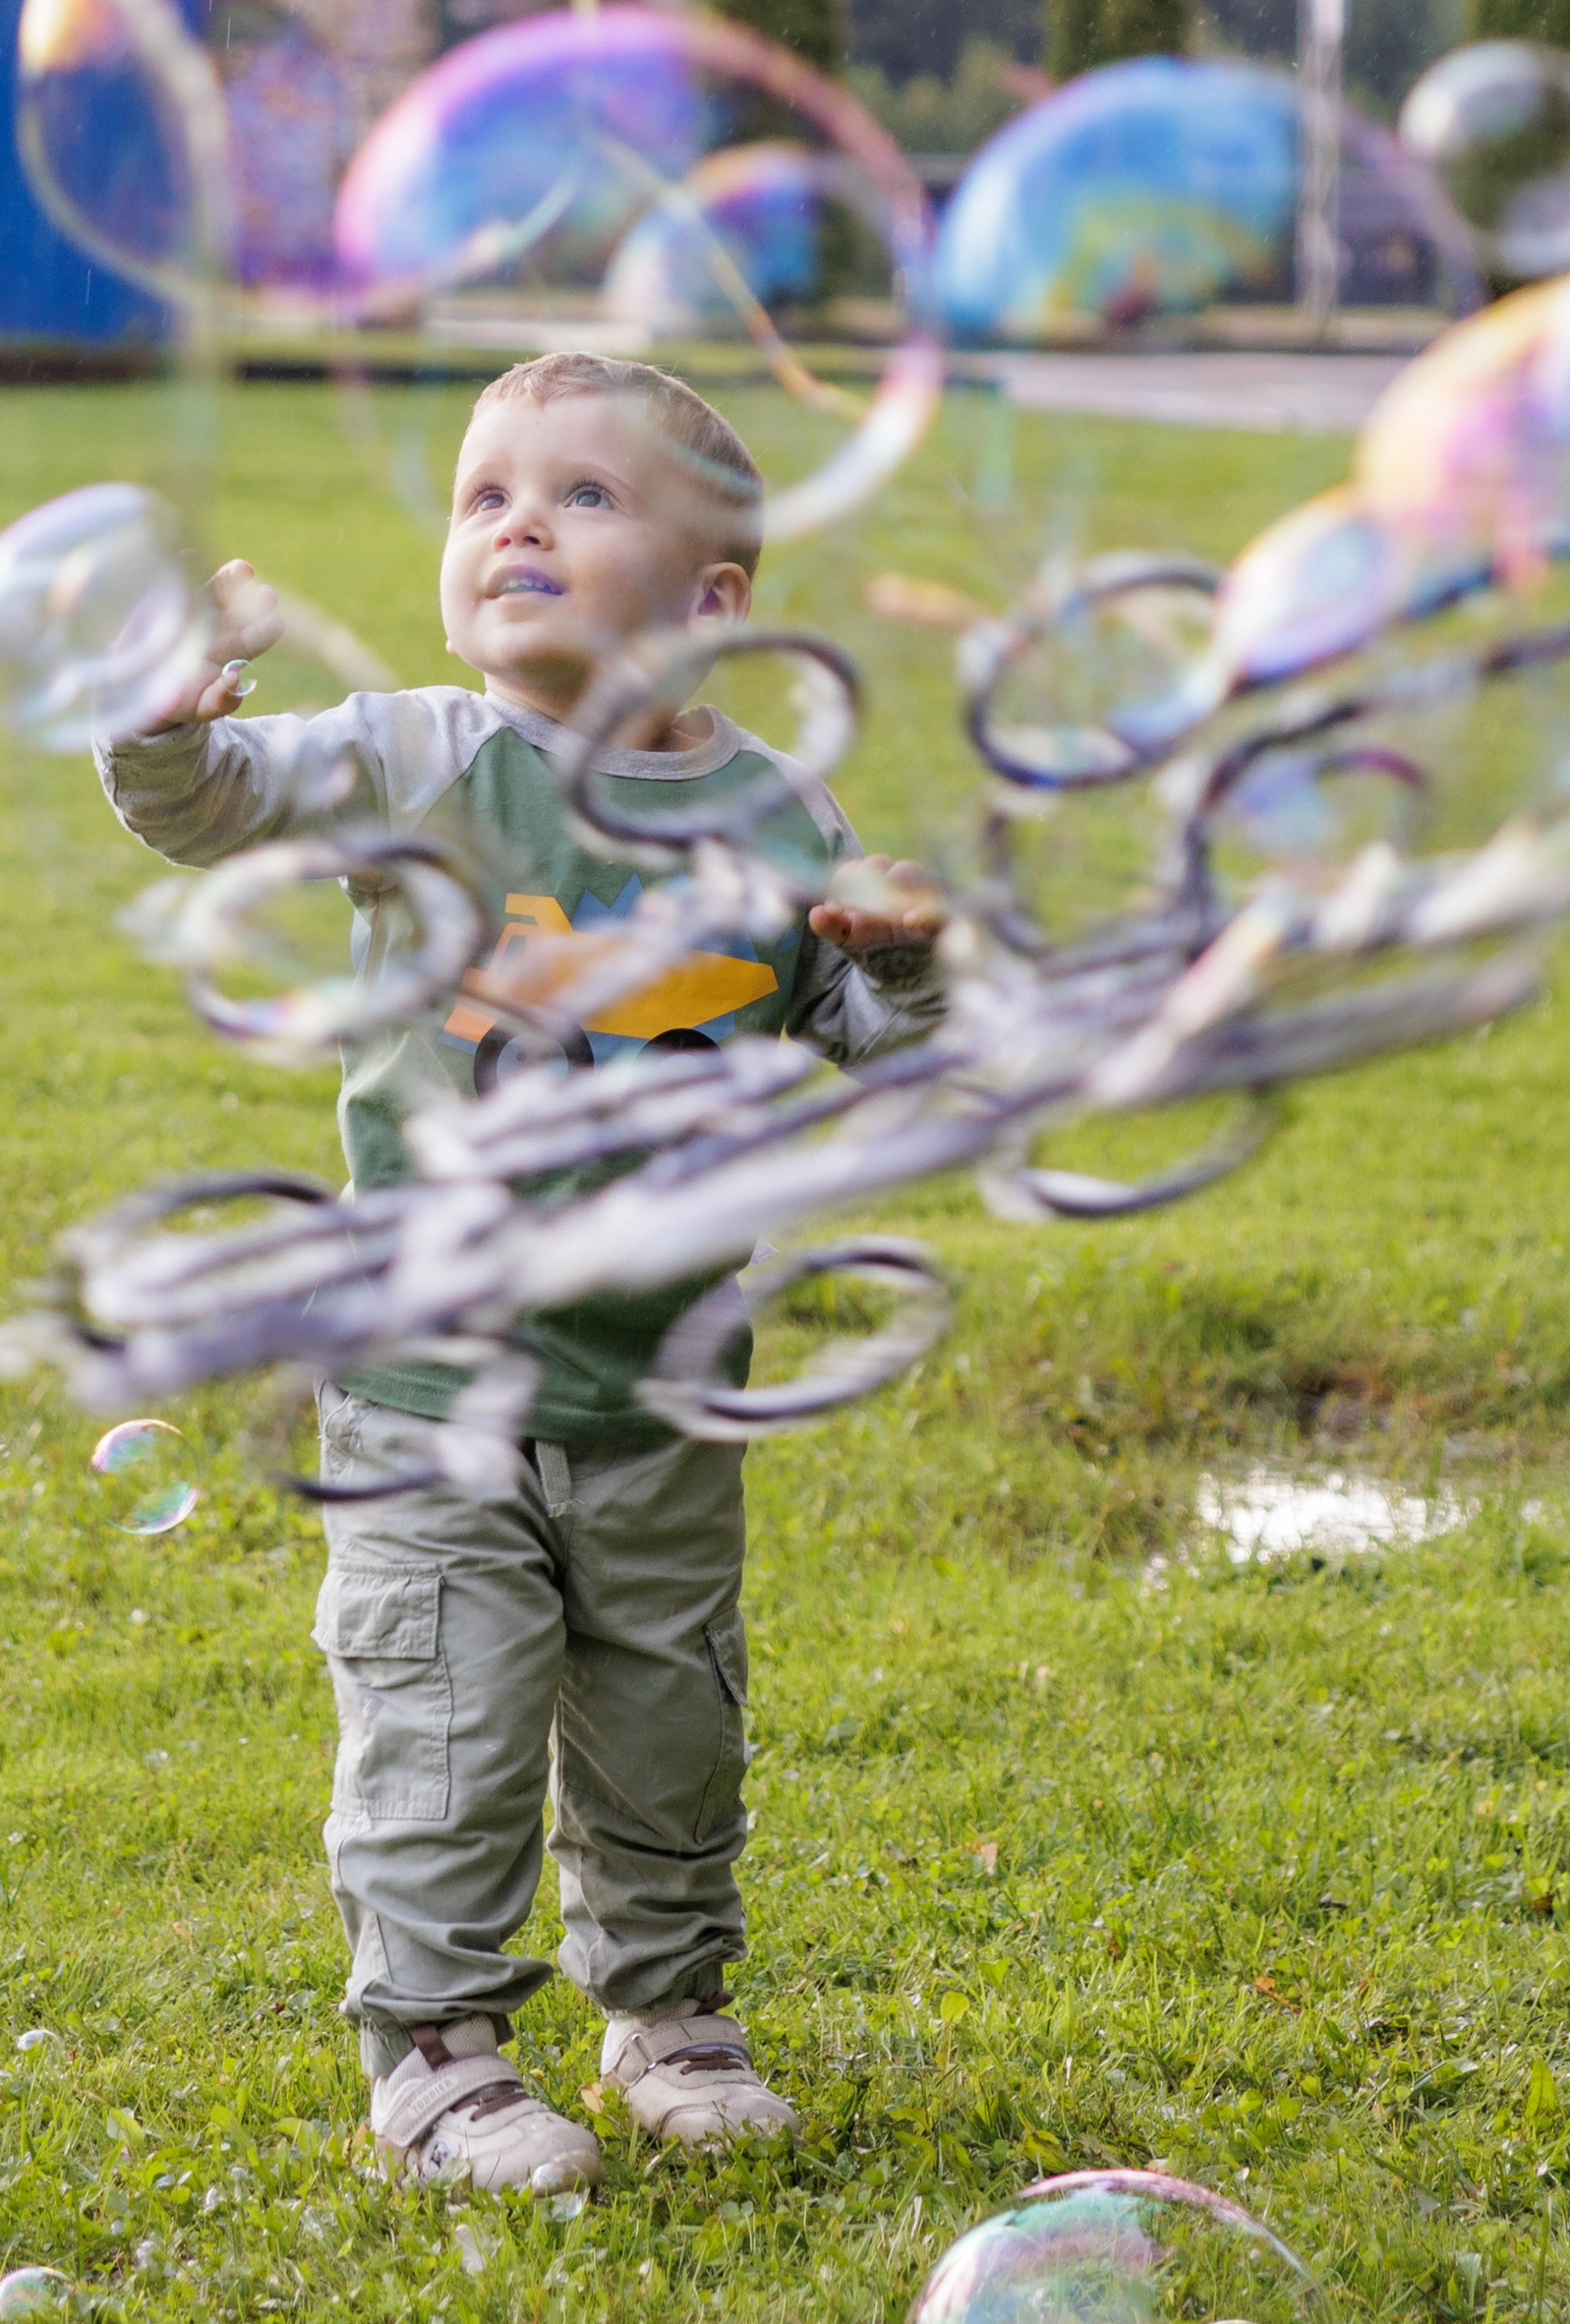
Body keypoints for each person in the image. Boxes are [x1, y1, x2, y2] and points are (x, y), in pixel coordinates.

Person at [98, 350, 944, 2194]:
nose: (516, 527)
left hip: (660, 1391)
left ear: (713, 606)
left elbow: (876, 1050)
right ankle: (436, 2057)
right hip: (426, 1387)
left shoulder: (777, 818)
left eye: (583, 496)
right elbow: (209, 803)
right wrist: (161, 724)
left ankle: (670, 2021)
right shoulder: (411, 756)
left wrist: (910, 964)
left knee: (668, 1727)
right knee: (447, 1718)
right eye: (486, 496)